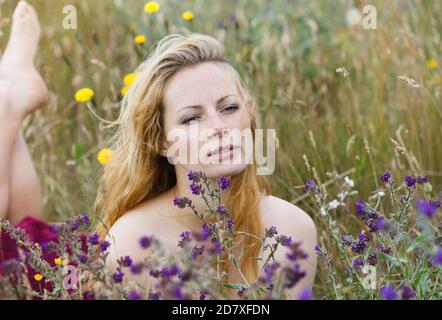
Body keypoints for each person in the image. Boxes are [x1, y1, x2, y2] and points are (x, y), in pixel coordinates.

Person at [0, 1, 317, 299]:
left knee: (23, 235)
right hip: (70, 277)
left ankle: (12, 100)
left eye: (230, 107)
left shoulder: (292, 229)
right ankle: (8, 102)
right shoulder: (132, 246)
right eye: (192, 118)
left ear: (250, 117)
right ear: (163, 143)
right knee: (14, 253)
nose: (219, 127)